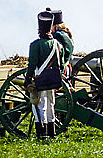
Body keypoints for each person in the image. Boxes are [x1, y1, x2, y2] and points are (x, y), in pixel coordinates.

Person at [25, 10, 63, 139]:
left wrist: (27, 80)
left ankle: (43, 132)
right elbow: (60, 64)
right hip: (52, 79)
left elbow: (32, 65)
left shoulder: (35, 45)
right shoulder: (56, 44)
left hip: (39, 78)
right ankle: (51, 131)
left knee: (39, 105)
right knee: (51, 104)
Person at [50, 10, 74, 75]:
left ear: (56, 26)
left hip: (60, 70)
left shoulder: (58, 35)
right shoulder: (66, 34)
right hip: (67, 68)